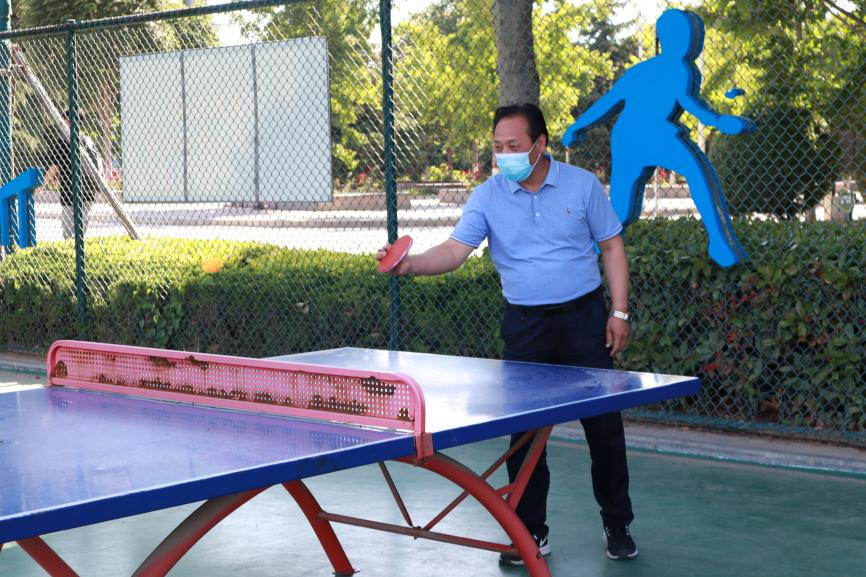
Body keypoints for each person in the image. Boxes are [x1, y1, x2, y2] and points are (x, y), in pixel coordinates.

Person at [375, 103, 638, 563]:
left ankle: (617, 523)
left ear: (540, 145)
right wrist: (409, 265)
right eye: (498, 147)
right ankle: (529, 532)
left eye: (514, 146)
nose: (505, 155)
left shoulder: (582, 185)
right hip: (525, 327)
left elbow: (612, 246)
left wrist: (619, 312)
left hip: (583, 321)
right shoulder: (487, 197)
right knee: (524, 436)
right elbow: (454, 251)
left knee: (604, 430)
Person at [562, 8, 755, 267]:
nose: (689, 41)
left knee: (697, 170)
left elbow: (691, 104)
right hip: (632, 138)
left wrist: (718, 121)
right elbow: (610, 101)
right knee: (621, 210)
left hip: (657, 134)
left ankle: (719, 241)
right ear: (666, 39)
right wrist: (577, 126)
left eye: (692, 35)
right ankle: (588, 250)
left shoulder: (679, 70)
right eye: (682, 35)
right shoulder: (650, 72)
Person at [45, 110, 102, 240]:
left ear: (67, 121)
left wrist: (42, 185)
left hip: (69, 192)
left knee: (69, 233)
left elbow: (55, 166)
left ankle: (71, 251)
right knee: (81, 231)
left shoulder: (63, 141)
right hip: (88, 190)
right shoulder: (87, 140)